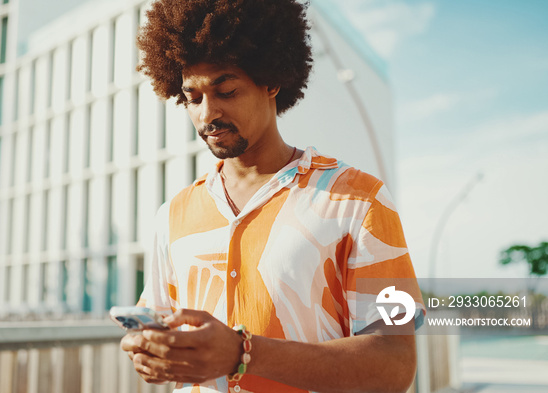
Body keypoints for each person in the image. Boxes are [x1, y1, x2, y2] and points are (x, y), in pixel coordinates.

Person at [121, 0, 426, 392]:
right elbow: (161, 326)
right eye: (193, 98)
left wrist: (241, 353)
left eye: (226, 90)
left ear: (272, 81)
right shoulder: (172, 215)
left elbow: (395, 365)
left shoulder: (359, 201)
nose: (207, 114)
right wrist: (147, 350)